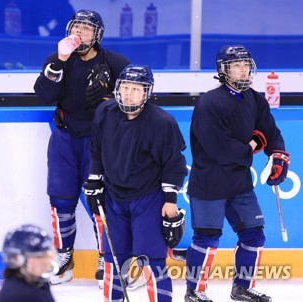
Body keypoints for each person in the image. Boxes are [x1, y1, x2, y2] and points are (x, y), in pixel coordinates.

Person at [184, 45, 289, 302]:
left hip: (239, 183)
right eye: (236, 65)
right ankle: (195, 291)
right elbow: (222, 150)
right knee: (207, 238)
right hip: (209, 183)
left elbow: (270, 132)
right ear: (224, 70)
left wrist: (278, 155)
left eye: (246, 65)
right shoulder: (209, 102)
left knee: (254, 234)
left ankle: (242, 287)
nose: (243, 70)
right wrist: (254, 144)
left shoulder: (254, 99)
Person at [33, 9, 130, 286]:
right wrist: (61, 60)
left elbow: (142, 96)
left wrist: (110, 98)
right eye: (76, 28)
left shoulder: (115, 62)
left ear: (97, 34)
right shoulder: (58, 59)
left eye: (86, 29)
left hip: (100, 143)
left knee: (100, 201)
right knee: (61, 200)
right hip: (64, 139)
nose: (80, 34)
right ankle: (64, 258)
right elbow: (42, 93)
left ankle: (105, 258)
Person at [82, 64, 188, 302]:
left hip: (148, 199)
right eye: (125, 87)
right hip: (114, 197)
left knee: (150, 259)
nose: (129, 93)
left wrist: (170, 201)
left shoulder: (162, 122)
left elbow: (173, 163)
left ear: (146, 93)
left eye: (136, 89)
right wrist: (94, 180)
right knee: (113, 259)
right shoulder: (105, 112)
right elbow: (96, 150)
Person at [0, 224, 57, 302]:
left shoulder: (37, 282)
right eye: (39, 256)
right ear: (18, 259)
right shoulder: (20, 295)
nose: (47, 261)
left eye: (47, 255)